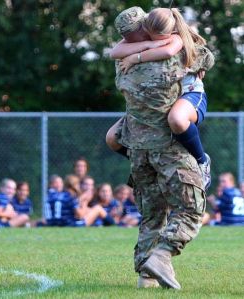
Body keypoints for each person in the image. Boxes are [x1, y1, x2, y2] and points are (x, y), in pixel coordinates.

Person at [111, 7, 212, 289]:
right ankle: (162, 256)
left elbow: (117, 51)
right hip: (169, 146)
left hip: (138, 148)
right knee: (191, 209)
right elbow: (206, 56)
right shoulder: (175, 54)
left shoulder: (121, 63)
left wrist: (140, 51)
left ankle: (147, 275)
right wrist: (174, 39)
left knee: (152, 212)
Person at [109, 8, 214, 189]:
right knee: (112, 138)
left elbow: (168, 52)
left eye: (132, 34)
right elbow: (114, 52)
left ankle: (201, 161)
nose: (129, 39)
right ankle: (147, 160)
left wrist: (136, 57)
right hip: (153, 106)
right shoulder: (148, 33)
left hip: (189, 94)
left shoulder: (173, 37)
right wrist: (148, 45)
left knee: (177, 119)